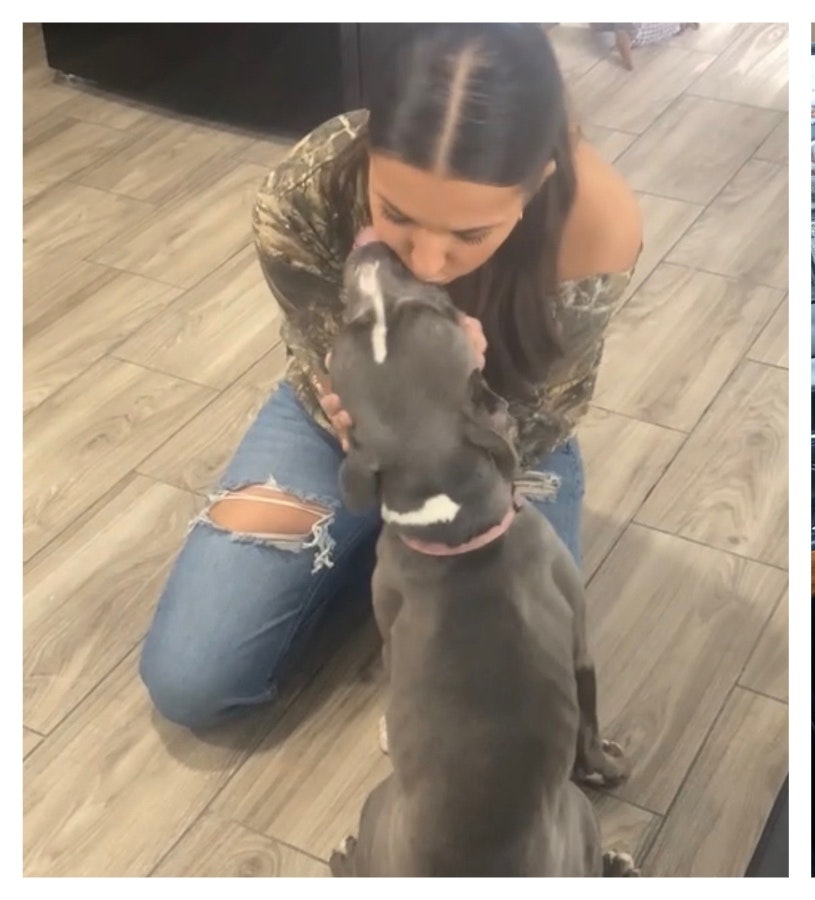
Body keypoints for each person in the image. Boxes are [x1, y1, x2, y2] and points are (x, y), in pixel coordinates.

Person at [139, 24, 643, 731]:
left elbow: (536, 414)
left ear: (539, 183)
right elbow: (325, 369)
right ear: (369, 153)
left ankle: (371, 545)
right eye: (397, 215)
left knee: (509, 713)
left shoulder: (595, 225)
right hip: (337, 437)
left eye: (472, 233)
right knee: (190, 680)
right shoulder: (301, 192)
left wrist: (462, 407)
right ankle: (367, 543)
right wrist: (362, 429)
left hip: (502, 453)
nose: (430, 262)